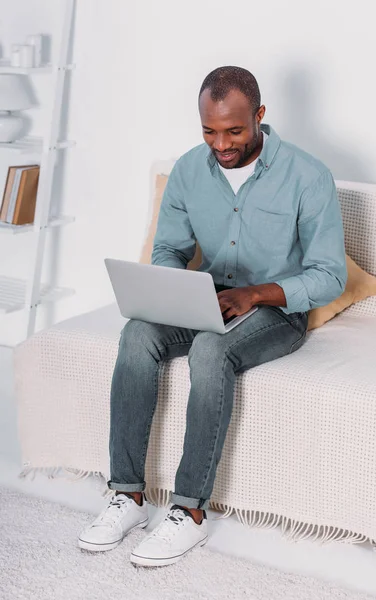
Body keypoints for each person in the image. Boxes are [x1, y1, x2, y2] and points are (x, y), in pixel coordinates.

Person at [78, 66, 347, 567]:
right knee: (137, 333)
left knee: (210, 347)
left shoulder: (309, 176)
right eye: (209, 131)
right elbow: (169, 249)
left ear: (260, 117)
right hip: (206, 297)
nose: (220, 144)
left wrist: (257, 294)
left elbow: (329, 276)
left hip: (276, 310)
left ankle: (190, 512)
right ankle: (129, 496)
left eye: (234, 131)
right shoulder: (188, 170)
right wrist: (173, 288)